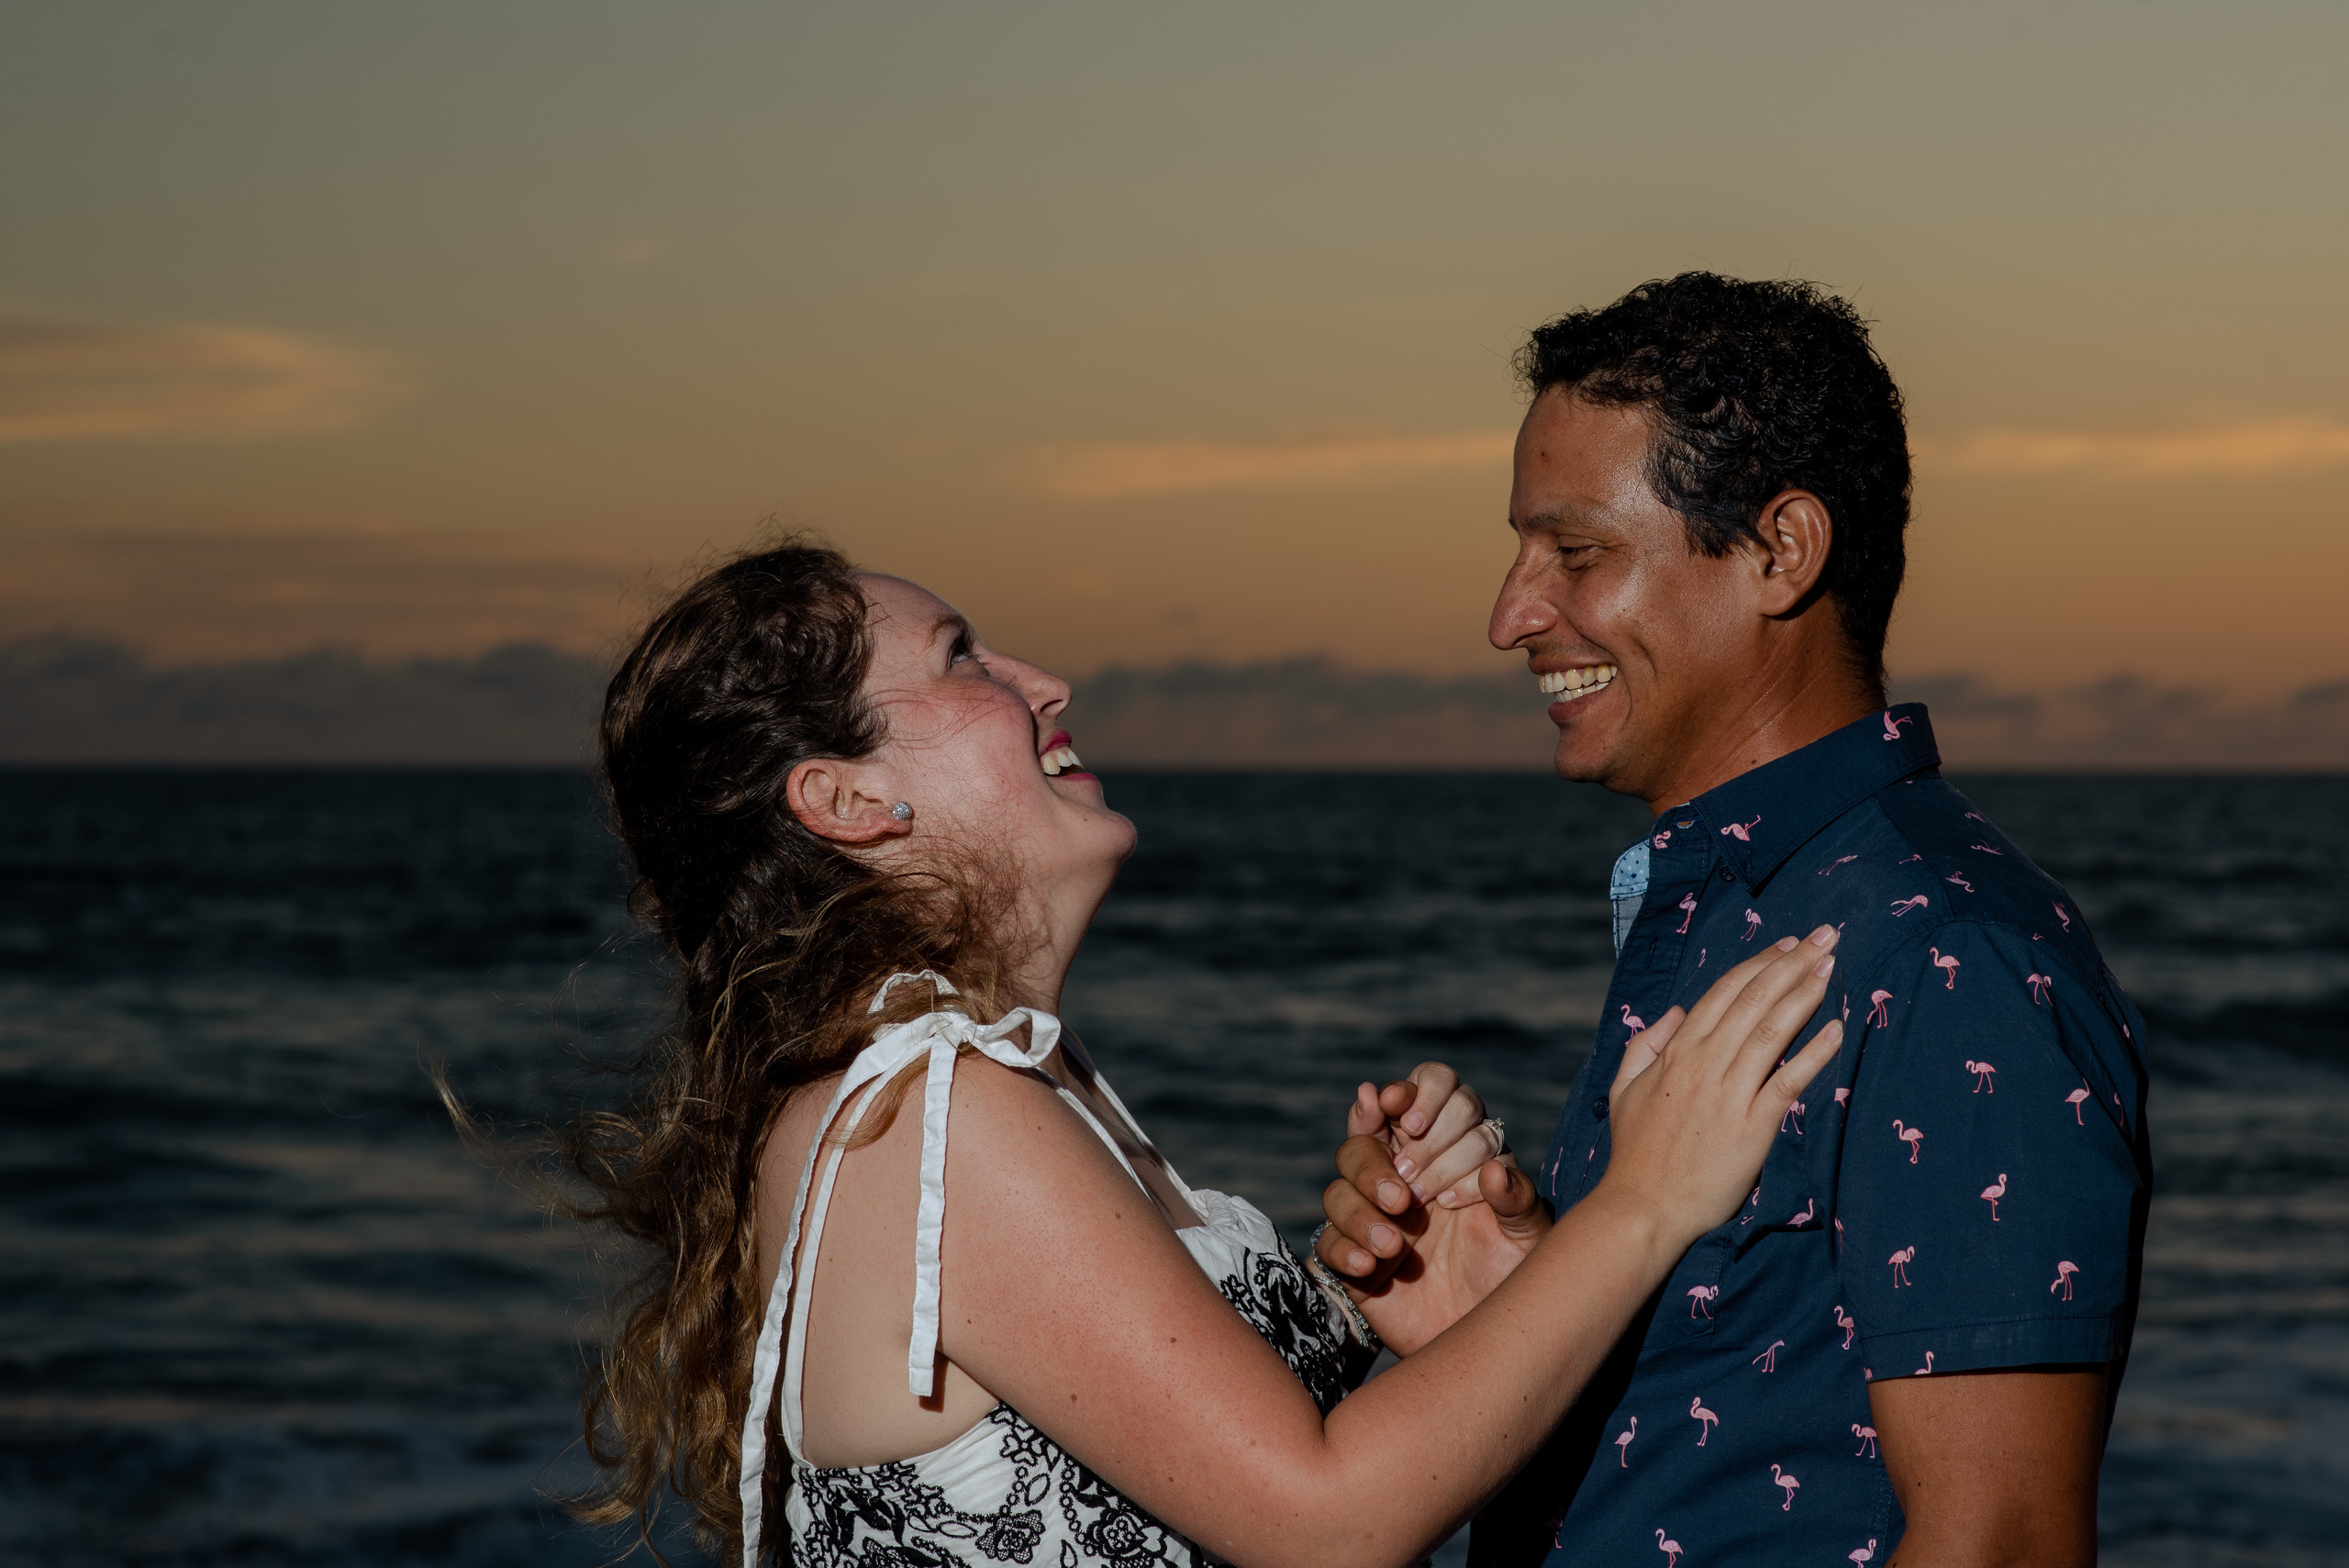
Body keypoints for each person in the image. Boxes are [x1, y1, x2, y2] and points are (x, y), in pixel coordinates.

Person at [551, 541, 1845, 1568]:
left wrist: (1433, 1310)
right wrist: (1649, 1199)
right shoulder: (932, 1112)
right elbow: (1328, 1525)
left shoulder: (1006, 1082)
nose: (1041, 680)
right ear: (846, 800)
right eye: (962, 660)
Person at [1319, 273, 2152, 1567]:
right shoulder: (1745, 906)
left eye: (1575, 551)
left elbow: (2002, 1540)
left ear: (1781, 551)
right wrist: (1517, 1299)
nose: (1511, 615)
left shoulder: (1945, 952)